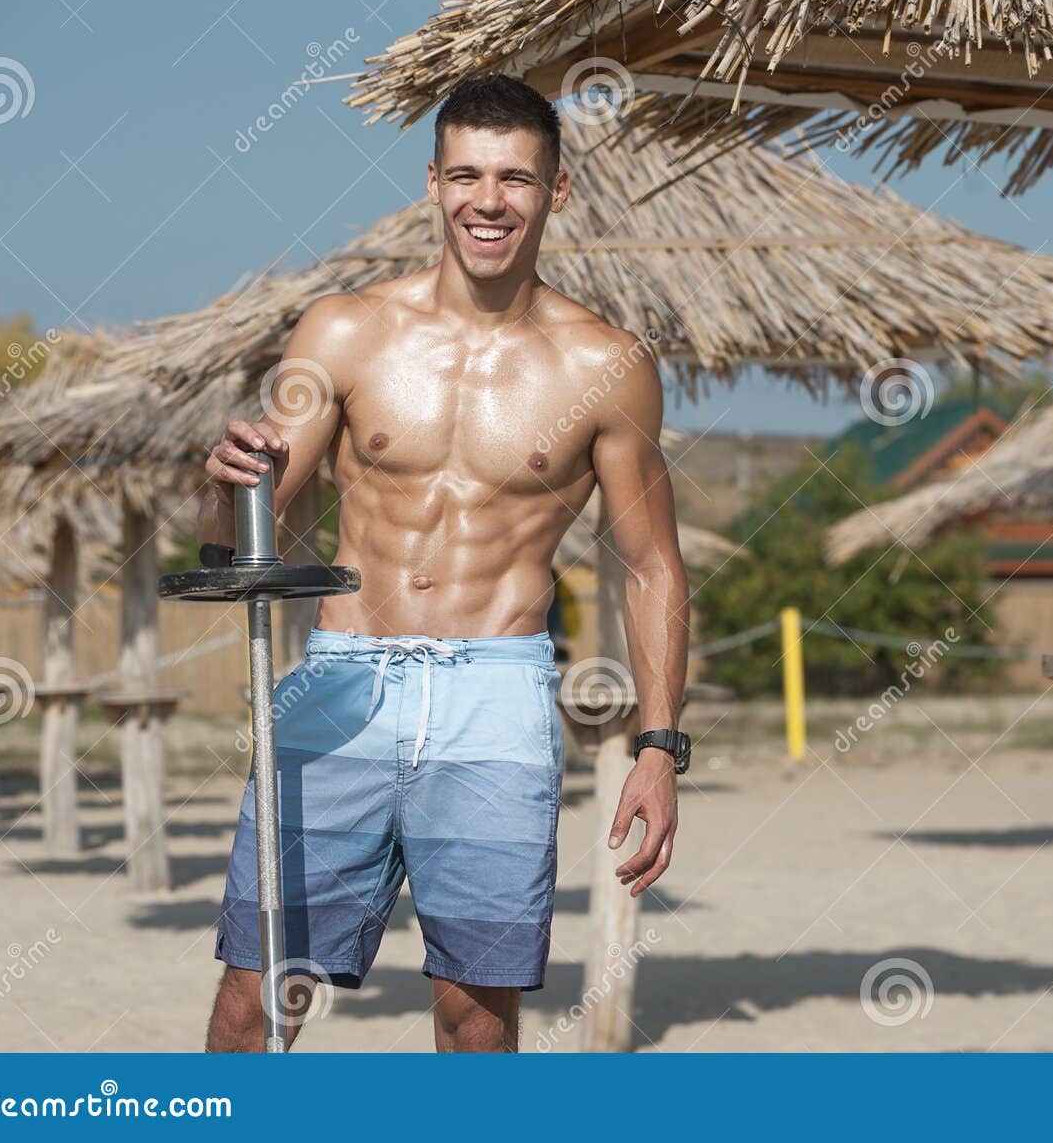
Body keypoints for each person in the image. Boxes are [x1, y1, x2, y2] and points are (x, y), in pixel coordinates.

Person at [197, 74, 690, 1052]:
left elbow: (652, 565)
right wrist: (223, 482)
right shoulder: (343, 329)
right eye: (466, 175)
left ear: (553, 190)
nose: (487, 200)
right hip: (342, 682)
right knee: (255, 996)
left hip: (496, 690)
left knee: (475, 1013)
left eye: (513, 177)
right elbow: (233, 542)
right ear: (432, 182)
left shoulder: (606, 364)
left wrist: (659, 746)